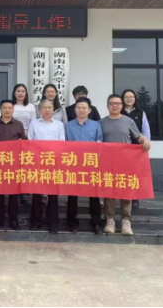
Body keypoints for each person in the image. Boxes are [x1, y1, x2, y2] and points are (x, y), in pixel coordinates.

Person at [100, 94, 152, 236]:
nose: (115, 106)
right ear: (107, 106)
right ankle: (110, 220)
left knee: (125, 191)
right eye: (112, 103)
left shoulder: (128, 121)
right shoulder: (101, 122)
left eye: (118, 103)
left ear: (121, 106)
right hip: (108, 163)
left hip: (125, 162)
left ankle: (126, 221)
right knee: (109, 192)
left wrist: (145, 141)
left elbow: (138, 136)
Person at [65, 97, 104, 235]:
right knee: (72, 195)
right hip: (73, 164)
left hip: (91, 164)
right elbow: (64, 145)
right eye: (78, 108)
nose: (81, 110)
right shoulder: (68, 126)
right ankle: (72, 222)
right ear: (75, 110)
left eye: (84, 108)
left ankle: (96, 223)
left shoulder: (96, 125)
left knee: (94, 195)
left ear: (89, 110)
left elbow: (100, 143)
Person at [0, 100, 27, 231]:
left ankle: (13, 219)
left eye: (10, 108)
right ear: (1, 109)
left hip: (14, 164)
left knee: (13, 194)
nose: (7, 110)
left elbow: (25, 141)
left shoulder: (18, 124)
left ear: (13, 110)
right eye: (5, 108)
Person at [29, 99, 66, 234]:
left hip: (53, 163)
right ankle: (36, 221)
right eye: (44, 107)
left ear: (53, 110)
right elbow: (30, 142)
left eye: (49, 107)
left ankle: (53, 223)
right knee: (37, 193)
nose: (47, 110)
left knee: (53, 194)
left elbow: (62, 143)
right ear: (40, 110)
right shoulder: (34, 123)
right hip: (37, 162)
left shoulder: (59, 124)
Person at [36, 84, 68, 207]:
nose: (50, 93)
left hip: (54, 150)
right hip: (39, 150)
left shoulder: (61, 110)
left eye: (52, 91)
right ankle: (43, 196)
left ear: (56, 93)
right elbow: (36, 125)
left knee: (53, 175)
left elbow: (64, 125)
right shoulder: (37, 109)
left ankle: (52, 196)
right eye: (48, 91)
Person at [121, 89, 152, 209]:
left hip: (136, 148)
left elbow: (145, 130)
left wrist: (146, 143)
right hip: (122, 148)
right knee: (122, 173)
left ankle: (135, 198)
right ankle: (122, 196)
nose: (129, 99)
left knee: (134, 174)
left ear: (135, 99)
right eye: (126, 97)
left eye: (131, 97)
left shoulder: (140, 113)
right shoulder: (120, 111)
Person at [12, 84, 37, 206]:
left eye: (23, 91)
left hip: (26, 139)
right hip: (13, 140)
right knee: (14, 167)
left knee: (26, 167)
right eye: (18, 91)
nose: (20, 93)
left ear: (26, 93)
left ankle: (25, 194)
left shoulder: (30, 107)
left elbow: (33, 123)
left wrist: (29, 139)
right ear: (14, 93)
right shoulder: (11, 106)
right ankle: (14, 192)